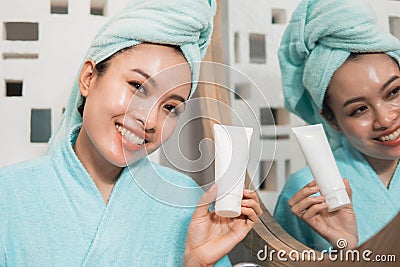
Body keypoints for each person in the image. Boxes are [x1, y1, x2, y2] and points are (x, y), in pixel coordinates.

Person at [0, 0, 262, 266]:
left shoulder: (188, 202)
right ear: (89, 78)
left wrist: (196, 262)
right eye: (138, 86)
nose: (149, 119)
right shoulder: (7, 195)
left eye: (170, 107)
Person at [274, 0, 400, 251]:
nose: (385, 120)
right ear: (332, 120)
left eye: (394, 92)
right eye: (359, 109)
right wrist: (346, 248)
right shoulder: (309, 192)